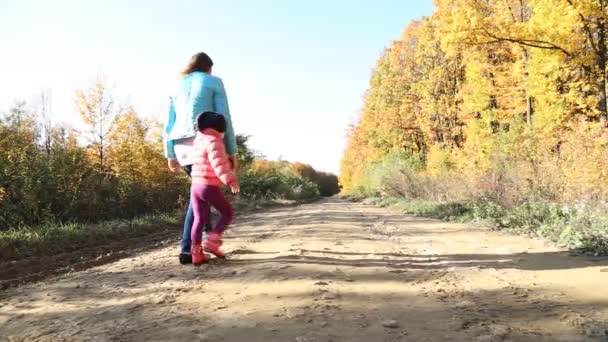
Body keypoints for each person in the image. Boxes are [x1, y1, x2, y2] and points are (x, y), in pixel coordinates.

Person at [164, 52, 238, 265]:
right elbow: (225, 117)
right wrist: (232, 151)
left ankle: (199, 246)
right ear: (208, 68)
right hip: (205, 141)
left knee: (200, 197)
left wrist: (169, 153)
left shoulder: (176, 87)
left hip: (180, 146)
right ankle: (191, 248)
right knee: (202, 199)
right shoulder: (213, 82)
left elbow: (168, 123)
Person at [190, 112, 240, 265]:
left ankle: (196, 254)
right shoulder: (214, 140)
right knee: (227, 212)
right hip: (208, 186)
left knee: (199, 219)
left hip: (195, 185)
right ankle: (212, 242)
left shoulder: (199, 139)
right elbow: (218, 164)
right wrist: (230, 180)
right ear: (220, 128)